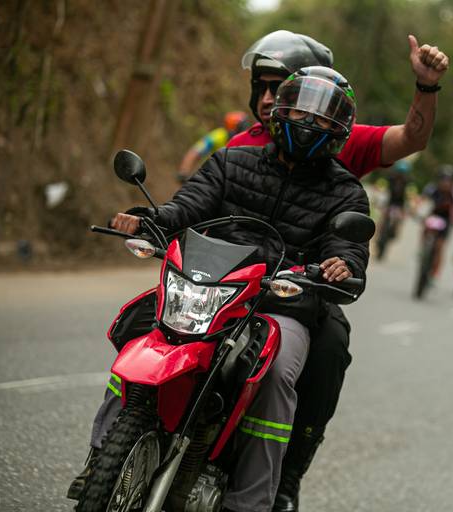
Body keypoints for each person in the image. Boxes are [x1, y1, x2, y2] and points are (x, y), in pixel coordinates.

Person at [82, 67, 370, 512]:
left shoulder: (345, 192)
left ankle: (250, 501)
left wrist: (341, 265)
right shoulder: (230, 162)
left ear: (340, 130)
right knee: (140, 336)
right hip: (209, 289)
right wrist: (148, 220)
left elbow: (347, 248)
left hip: (280, 305)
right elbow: (185, 208)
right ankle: (100, 458)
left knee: (276, 373)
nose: (308, 122)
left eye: (322, 117)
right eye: (299, 110)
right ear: (279, 110)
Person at [225, 30, 449, 512]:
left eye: (279, 87)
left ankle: (288, 477)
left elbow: (412, 137)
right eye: (261, 87)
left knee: (329, 350)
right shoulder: (239, 147)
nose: (268, 98)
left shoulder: (342, 140)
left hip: (303, 287)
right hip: (233, 282)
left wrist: (426, 87)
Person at [176, 111, 250, 181]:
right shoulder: (219, 136)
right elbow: (195, 151)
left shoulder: (247, 139)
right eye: (242, 127)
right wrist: (183, 172)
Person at [420, 164, 453, 279]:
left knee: (439, 247)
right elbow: (422, 199)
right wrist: (416, 208)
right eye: (443, 179)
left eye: (448, 180)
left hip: (446, 219)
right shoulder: (432, 188)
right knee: (425, 228)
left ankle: (435, 272)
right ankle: (423, 249)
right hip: (434, 215)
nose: (445, 182)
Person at [375, 159, 412, 260]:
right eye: (399, 173)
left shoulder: (408, 182)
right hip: (389, 204)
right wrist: (378, 197)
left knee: (398, 222)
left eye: (402, 173)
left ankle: (394, 232)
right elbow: (381, 187)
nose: (400, 175)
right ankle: (378, 236)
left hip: (399, 206)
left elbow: (411, 195)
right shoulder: (390, 178)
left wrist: (410, 207)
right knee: (382, 221)